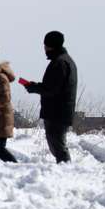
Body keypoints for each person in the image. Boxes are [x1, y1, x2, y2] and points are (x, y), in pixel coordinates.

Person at [21, 31, 78, 163]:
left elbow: (52, 89)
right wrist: (34, 85)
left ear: (50, 46)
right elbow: (53, 86)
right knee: (57, 146)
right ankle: (65, 169)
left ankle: (66, 171)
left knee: (58, 147)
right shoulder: (64, 60)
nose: (44, 49)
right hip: (59, 112)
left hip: (56, 113)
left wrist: (33, 87)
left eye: (45, 45)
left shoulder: (60, 63)